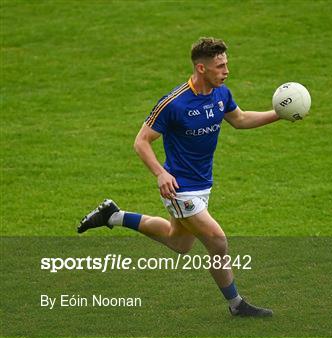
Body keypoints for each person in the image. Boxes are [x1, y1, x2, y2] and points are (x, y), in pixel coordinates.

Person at [77, 37, 280, 317]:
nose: (226, 71)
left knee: (179, 243)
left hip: (202, 185)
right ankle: (237, 305)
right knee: (218, 241)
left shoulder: (222, 95)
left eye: (226, 64)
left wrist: (279, 114)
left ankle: (114, 215)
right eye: (220, 66)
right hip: (179, 189)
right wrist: (161, 174)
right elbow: (141, 142)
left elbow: (241, 119)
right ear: (201, 68)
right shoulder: (174, 104)